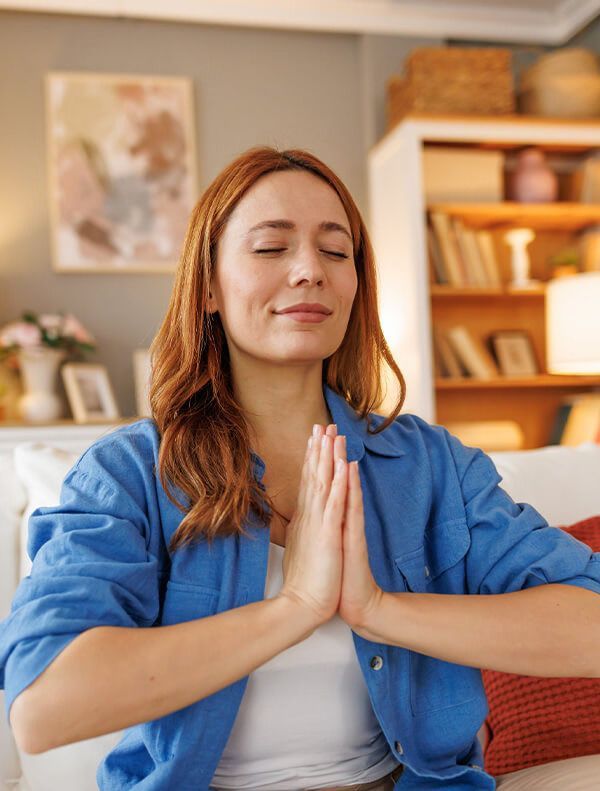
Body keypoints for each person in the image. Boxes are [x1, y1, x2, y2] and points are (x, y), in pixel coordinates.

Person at [2, 146, 600, 791]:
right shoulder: (128, 473)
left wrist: (375, 608)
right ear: (207, 285)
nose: (311, 270)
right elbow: (44, 707)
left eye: (336, 251)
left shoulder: (429, 465)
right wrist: (295, 606)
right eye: (270, 248)